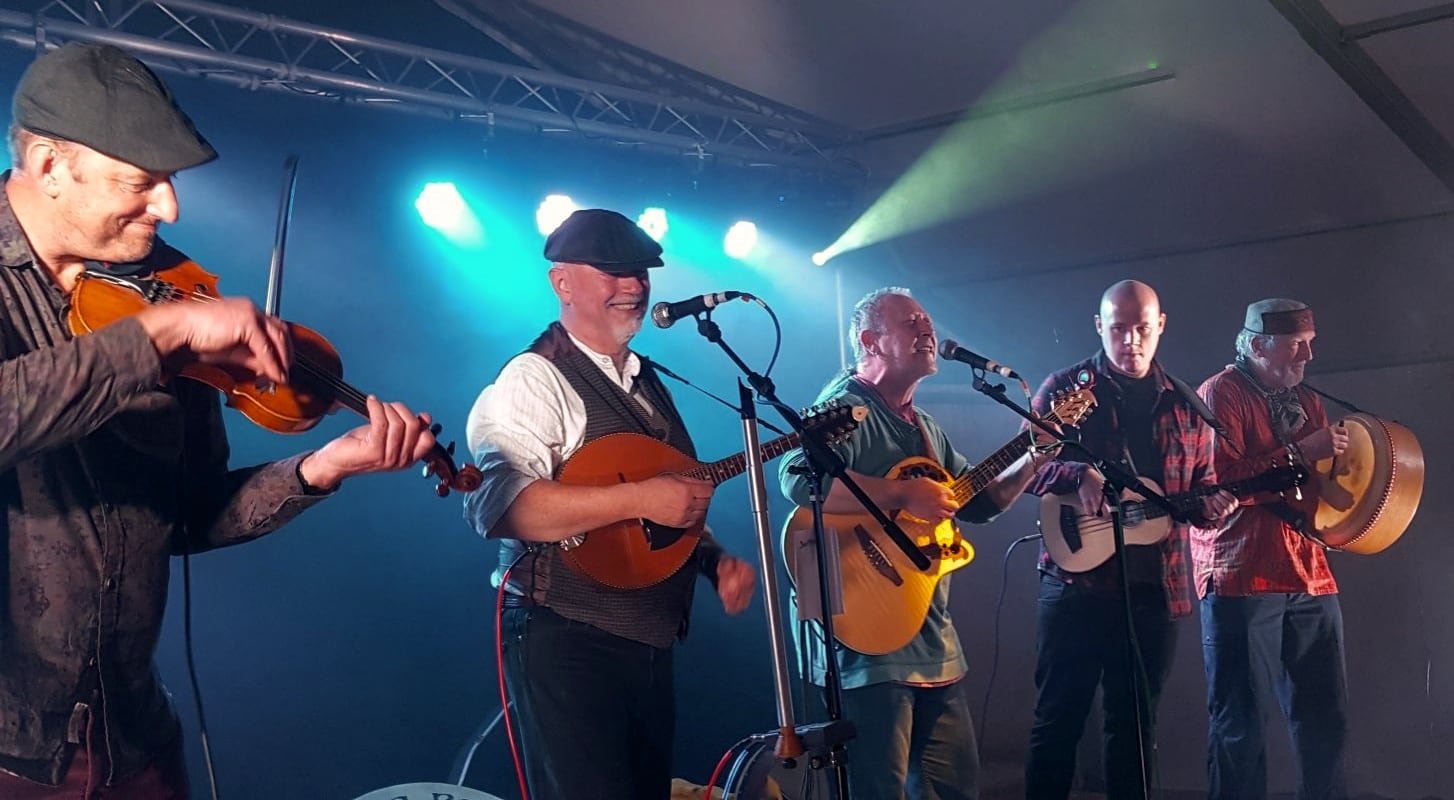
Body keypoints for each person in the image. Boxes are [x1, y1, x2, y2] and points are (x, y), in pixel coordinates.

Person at [0, 43, 439, 797]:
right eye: (140, 181)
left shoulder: (165, 288)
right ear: (48, 166)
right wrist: (159, 337)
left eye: (169, 182)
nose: (169, 208)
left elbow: (186, 515)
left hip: (135, 738)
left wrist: (321, 468)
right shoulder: (167, 323)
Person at [462, 208, 757, 800]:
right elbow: (501, 507)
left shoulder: (648, 380)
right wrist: (641, 495)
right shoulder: (535, 378)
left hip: (647, 641)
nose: (634, 286)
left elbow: (658, 509)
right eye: (613, 272)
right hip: (567, 636)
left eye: (641, 272)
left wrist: (712, 558)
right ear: (562, 283)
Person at [777, 286, 1048, 800]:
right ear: (870, 341)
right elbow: (797, 478)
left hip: (930, 638)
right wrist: (902, 493)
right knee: (878, 790)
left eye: (927, 320)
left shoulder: (924, 426)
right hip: (866, 644)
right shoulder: (846, 406)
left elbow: (979, 503)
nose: (928, 329)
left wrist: (1035, 456)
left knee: (954, 788)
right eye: (911, 323)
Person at [1023, 279, 1236, 800]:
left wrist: (1211, 509)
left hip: (1153, 591)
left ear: (1160, 325)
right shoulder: (1067, 388)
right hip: (1075, 582)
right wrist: (1077, 475)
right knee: (1058, 722)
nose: (1131, 341)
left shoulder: (1187, 404)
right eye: (1118, 329)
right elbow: (1025, 468)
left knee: (1136, 728)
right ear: (1099, 326)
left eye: (1142, 328)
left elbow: (1199, 490)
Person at [1193, 298, 1350, 800]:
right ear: (1258, 345)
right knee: (1240, 723)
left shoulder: (1306, 399)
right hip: (1243, 572)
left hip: (1308, 572)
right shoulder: (1221, 392)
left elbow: (1316, 480)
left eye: (1310, 342)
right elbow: (1219, 480)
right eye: (1295, 344)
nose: (1307, 355)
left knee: (1326, 716)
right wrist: (1302, 452)